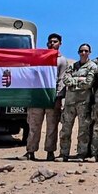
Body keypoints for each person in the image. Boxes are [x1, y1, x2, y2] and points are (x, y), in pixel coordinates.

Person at [26, 32, 70, 161]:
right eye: (50, 42)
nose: (52, 44)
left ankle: (50, 151)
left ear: (60, 44)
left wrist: (58, 97)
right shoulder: (40, 57)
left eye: (55, 42)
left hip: (52, 98)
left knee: (52, 127)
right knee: (34, 126)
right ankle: (30, 151)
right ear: (47, 43)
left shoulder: (62, 60)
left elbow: (62, 79)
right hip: (38, 97)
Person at [59, 43, 96, 161]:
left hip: (83, 103)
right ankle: (63, 154)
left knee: (83, 130)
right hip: (70, 103)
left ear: (89, 52)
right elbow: (65, 79)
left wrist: (73, 82)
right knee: (65, 129)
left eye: (86, 51)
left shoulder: (92, 67)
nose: (83, 53)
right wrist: (79, 80)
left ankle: (81, 154)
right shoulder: (73, 66)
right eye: (81, 51)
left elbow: (89, 83)